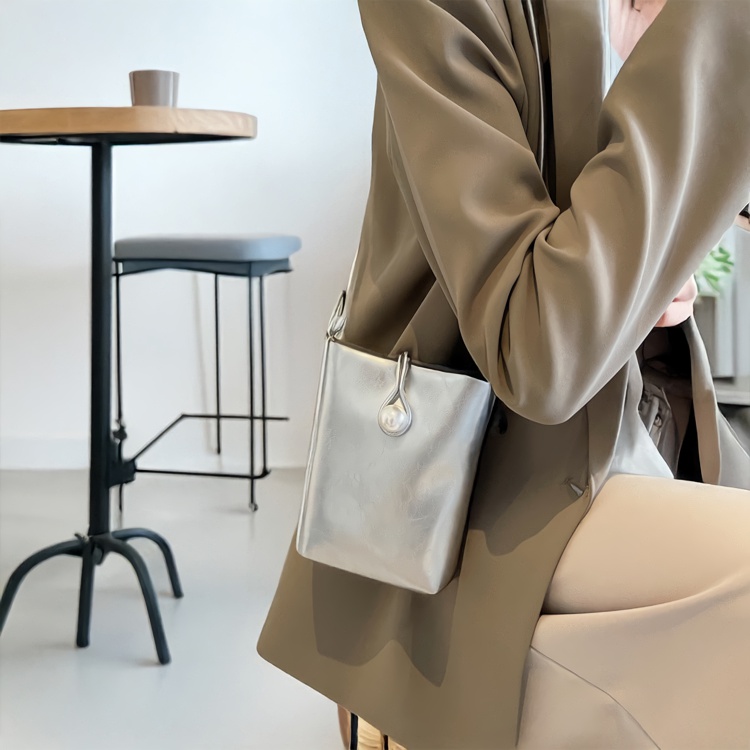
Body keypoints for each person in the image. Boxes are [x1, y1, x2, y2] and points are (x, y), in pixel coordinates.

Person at [258, 0, 750, 747]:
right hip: (488, 489)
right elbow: (539, 353)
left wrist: (646, 261)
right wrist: (710, 33)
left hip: (645, 429)